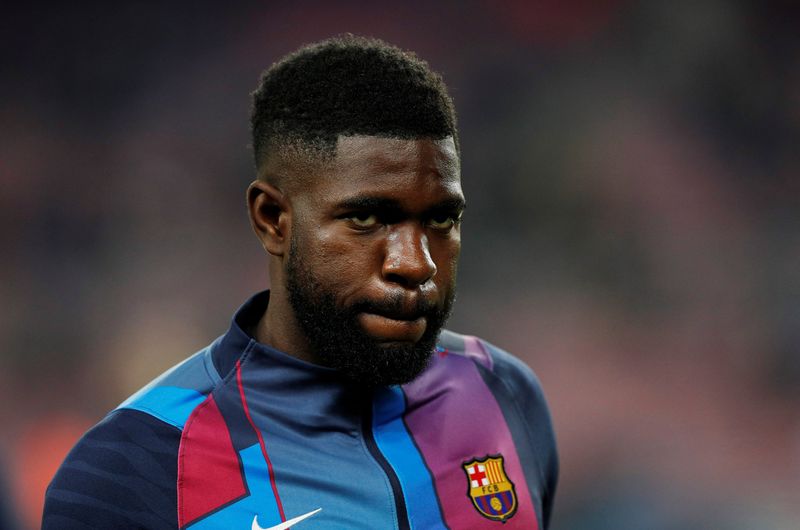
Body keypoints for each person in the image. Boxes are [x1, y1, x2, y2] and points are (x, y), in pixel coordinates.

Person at [43, 35, 558, 529]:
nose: (416, 264)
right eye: (368, 219)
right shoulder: (135, 465)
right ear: (272, 219)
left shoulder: (503, 394)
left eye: (441, 220)